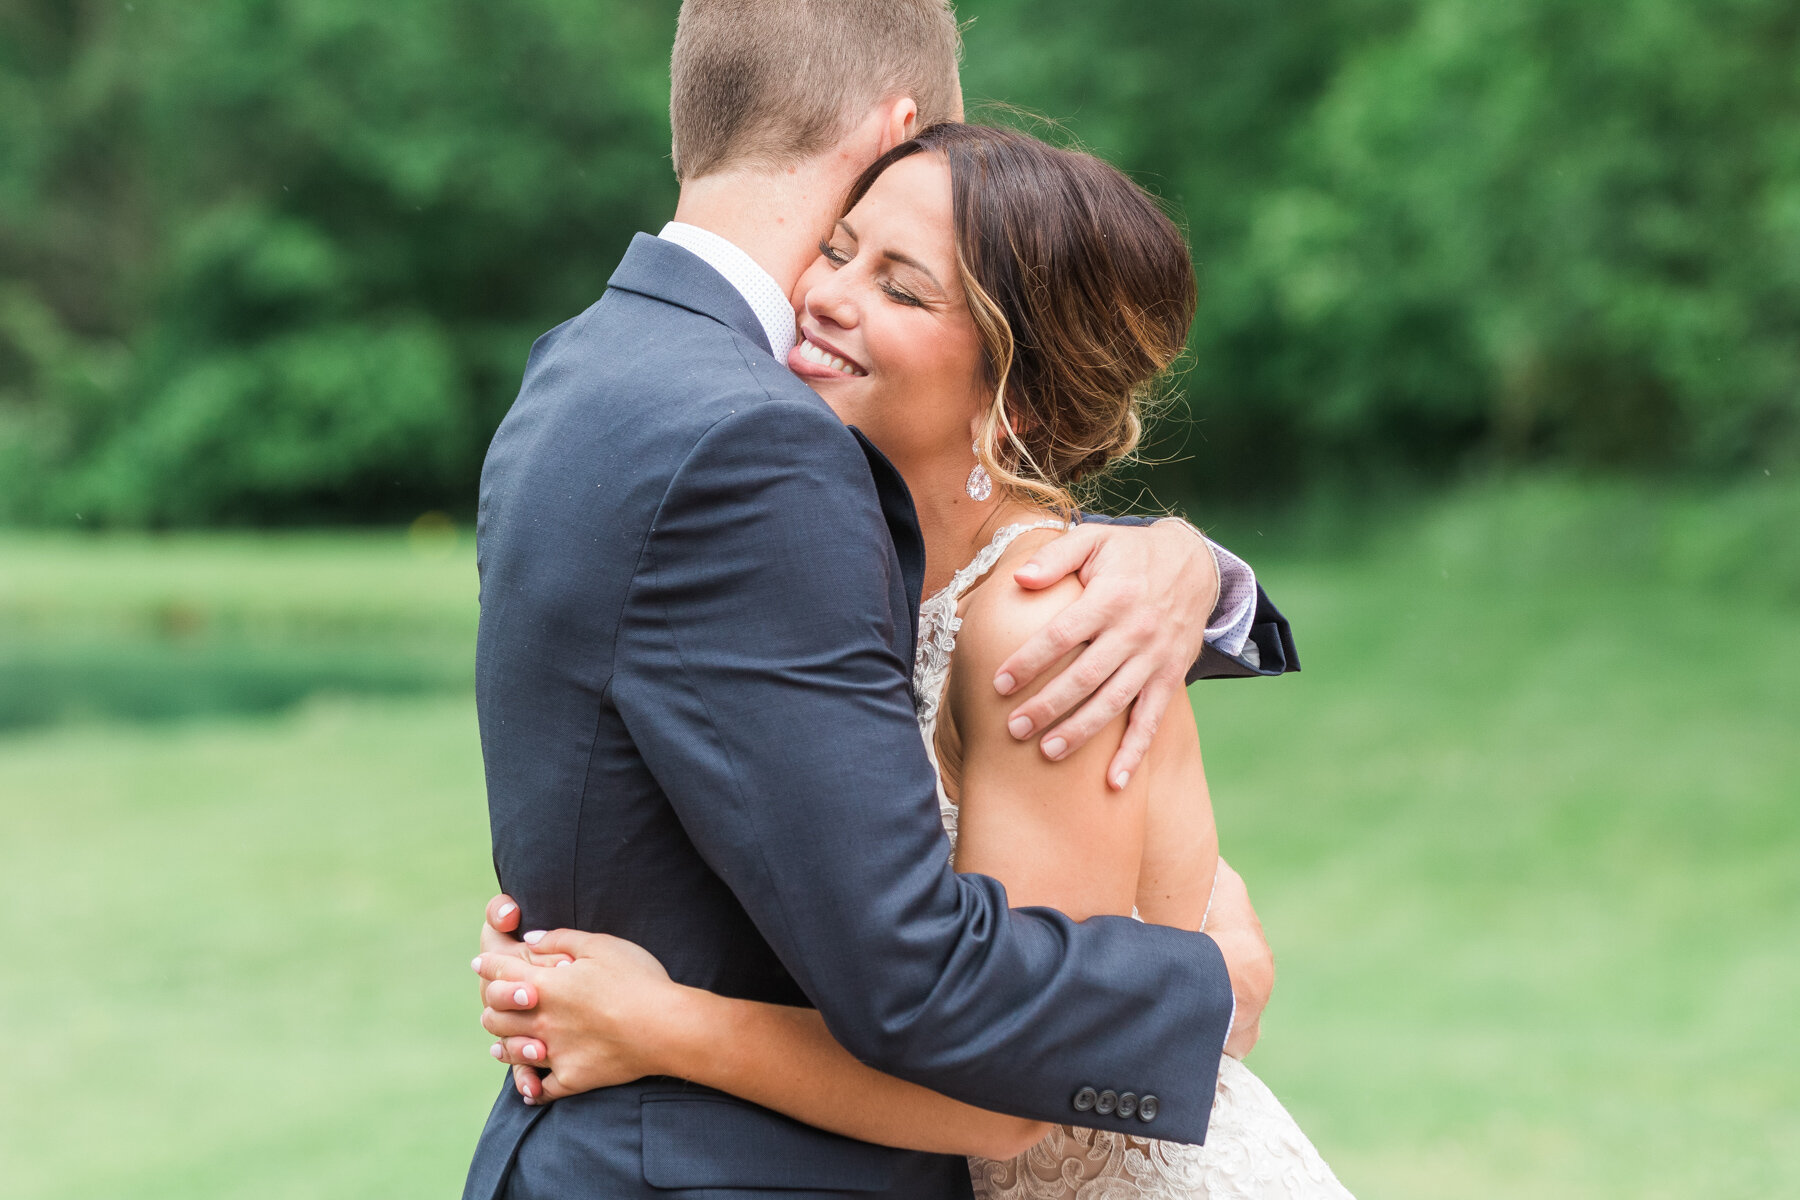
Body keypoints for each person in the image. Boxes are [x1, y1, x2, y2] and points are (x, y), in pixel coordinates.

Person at [463, 4, 1295, 1198]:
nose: (830, 295)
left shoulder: (586, 371)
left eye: (902, 284)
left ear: (1004, 388)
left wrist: (1215, 978)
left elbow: (1003, 1078)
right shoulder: (789, 480)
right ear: (897, 125)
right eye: (840, 251)